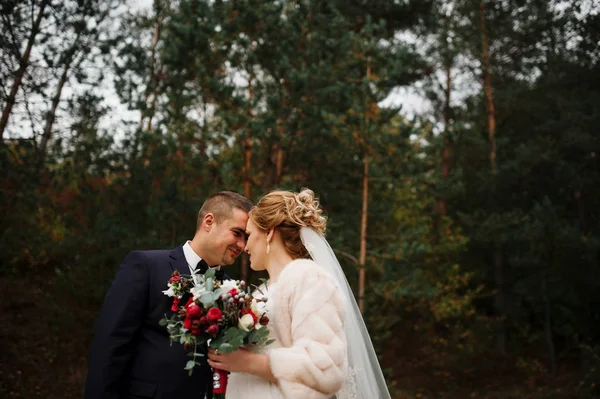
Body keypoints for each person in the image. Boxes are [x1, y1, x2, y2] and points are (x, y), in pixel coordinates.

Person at [207, 189, 391, 399]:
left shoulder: (309, 279)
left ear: (269, 232)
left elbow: (326, 368)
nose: (245, 246)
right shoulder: (262, 291)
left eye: (249, 235)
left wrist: (248, 362)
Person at [85, 191, 253, 399]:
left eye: (246, 237)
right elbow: (109, 348)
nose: (242, 245)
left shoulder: (233, 290)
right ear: (209, 222)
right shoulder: (146, 266)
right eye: (237, 233)